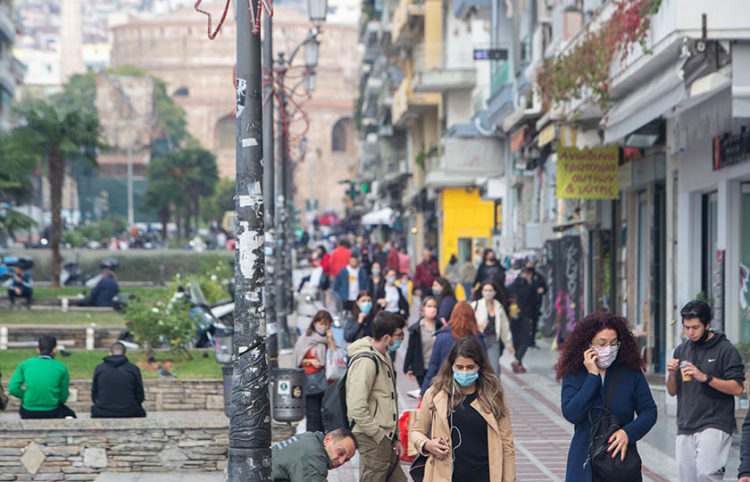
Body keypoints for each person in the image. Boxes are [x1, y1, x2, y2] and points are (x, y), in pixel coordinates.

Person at [556, 312, 657, 482]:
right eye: (601, 343)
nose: (608, 349)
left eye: (613, 343)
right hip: (584, 463)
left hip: (620, 464)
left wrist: (628, 433)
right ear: (588, 344)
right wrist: (592, 377)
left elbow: (649, 411)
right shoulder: (575, 373)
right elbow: (571, 413)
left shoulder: (630, 372)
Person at [411, 337, 515, 482]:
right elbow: (416, 431)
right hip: (445, 475)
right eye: (459, 367)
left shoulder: (493, 394)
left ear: (480, 366)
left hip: (484, 475)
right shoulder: (436, 394)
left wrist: (509, 479)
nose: (465, 372)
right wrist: (428, 444)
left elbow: (507, 444)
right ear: (451, 366)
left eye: (470, 367)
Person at [666, 300, 744, 482]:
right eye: (687, 328)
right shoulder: (681, 350)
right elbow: (672, 392)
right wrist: (671, 375)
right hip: (685, 424)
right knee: (687, 479)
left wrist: (705, 378)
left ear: (707, 325)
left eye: (695, 327)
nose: (690, 333)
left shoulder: (725, 350)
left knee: (707, 476)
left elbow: (738, 388)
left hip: (715, 422)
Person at [345, 311, 407, 482]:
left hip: (385, 436)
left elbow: (390, 400)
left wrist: (395, 437)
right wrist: (378, 434)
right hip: (372, 436)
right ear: (387, 337)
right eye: (399, 335)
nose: (402, 338)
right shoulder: (366, 362)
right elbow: (356, 406)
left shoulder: (384, 356)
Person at [421, 301, 486, 395]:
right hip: (473, 388)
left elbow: (433, 366)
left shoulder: (442, 337)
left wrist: (424, 391)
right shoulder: (477, 339)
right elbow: (484, 367)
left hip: (446, 387)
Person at [9, 335, 76, 419]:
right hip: (52, 410)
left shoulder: (25, 365)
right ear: (54, 349)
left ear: (38, 349)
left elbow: (13, 388)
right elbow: (64, 395)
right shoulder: (61, 367)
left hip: (28, 410)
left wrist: (27, 396)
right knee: (71, 415)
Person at [293, 310, 338, 432]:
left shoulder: (327, 340)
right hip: (310, 380)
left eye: (326, 324)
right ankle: (312, 439)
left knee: (326, 414)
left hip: (326, 381)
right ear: (314, 323)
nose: (323, 327)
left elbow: (336, 358)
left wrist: (331, 339)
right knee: (313, 414)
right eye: (321, 323)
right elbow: (297, 360)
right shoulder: (305, 339)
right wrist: (310, 361)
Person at [272, 428, 358, 481]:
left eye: (346, 460)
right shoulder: (313, 454)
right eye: (340, 453)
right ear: (327, 439)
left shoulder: (310, 437)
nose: (341, 461)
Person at [91, 341, 146, 418]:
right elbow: (139, 394)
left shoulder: (100, 368)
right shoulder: (133, 369)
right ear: (126, 353)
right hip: (129, 410)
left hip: (102, 411)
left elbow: (94, 393)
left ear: (110, 353)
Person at [471, 281, 514, 377]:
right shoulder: (475, 305)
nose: (488, 292)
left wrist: (508, 344)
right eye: (485, 290)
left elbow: (504, 326)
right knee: (478, 369)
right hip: (479, 340)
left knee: (495, 370)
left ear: (495, 292)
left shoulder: (498, 306)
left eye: (490, 290)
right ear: (481, 291)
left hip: (493, 340)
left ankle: (495, 391)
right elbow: (468, 322)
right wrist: (478, 326)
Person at [507, 267, 536, 373]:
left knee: (516, 340)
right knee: (525, 340)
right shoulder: (529, 287)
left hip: (513, 316)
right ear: (528, 275)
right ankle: (517, 360)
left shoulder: (510, 287)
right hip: (525, 316)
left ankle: (518, 363)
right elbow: (535, 302)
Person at [404, 296, 438, 387]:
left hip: (438, 370)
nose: (432, 309)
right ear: (423, 308)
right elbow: (411, 348)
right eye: (429, 306)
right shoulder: (416, 328)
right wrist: (407, 367)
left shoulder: (440, 326)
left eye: (435, 307)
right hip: (422, 369)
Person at [525, 257, 547, 348]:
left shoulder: (538, 276)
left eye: (532, 264)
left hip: (535, 304)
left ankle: (532, 341)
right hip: (524, 304)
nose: (530, 266)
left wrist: (542, 290)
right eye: (528, 264)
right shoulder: (522, 276)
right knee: (525, 323)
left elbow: (545, 288)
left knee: (534, 322)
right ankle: (524, 341)